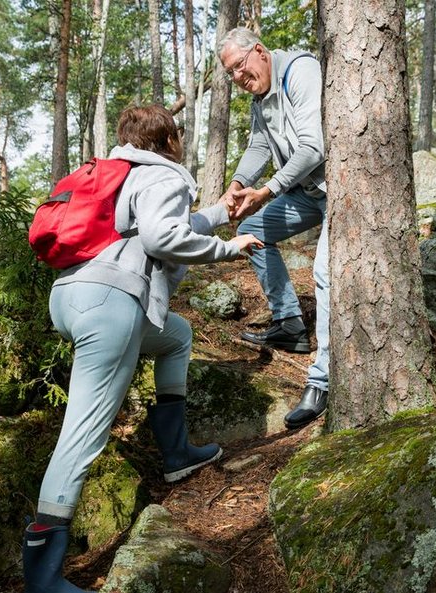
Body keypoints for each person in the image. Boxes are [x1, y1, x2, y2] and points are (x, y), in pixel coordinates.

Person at [22, 104, 262, 593]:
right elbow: (160, 234)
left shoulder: (120, 172)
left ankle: (176, 453)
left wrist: (221, 212)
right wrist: (228, 248)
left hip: (71, 299)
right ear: (170, 140)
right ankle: (42, 579)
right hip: (110, 305)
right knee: (81, 436)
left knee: (175, 335)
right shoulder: (165, 176)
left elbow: (153, 224)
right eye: (177, 136)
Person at [217, 27, 329, 430]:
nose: (238, 78)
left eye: (240, 67)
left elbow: (314, 147)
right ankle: (290, 325)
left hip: (338, 192)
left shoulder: (299, 70)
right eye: (230, 73)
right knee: (252, 231)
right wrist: (236, 184)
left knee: (324, 273)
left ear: (259, 51)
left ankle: (322, 381)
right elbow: (259, 146)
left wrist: (267, 189)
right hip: (303, 192)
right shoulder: (259, 97)